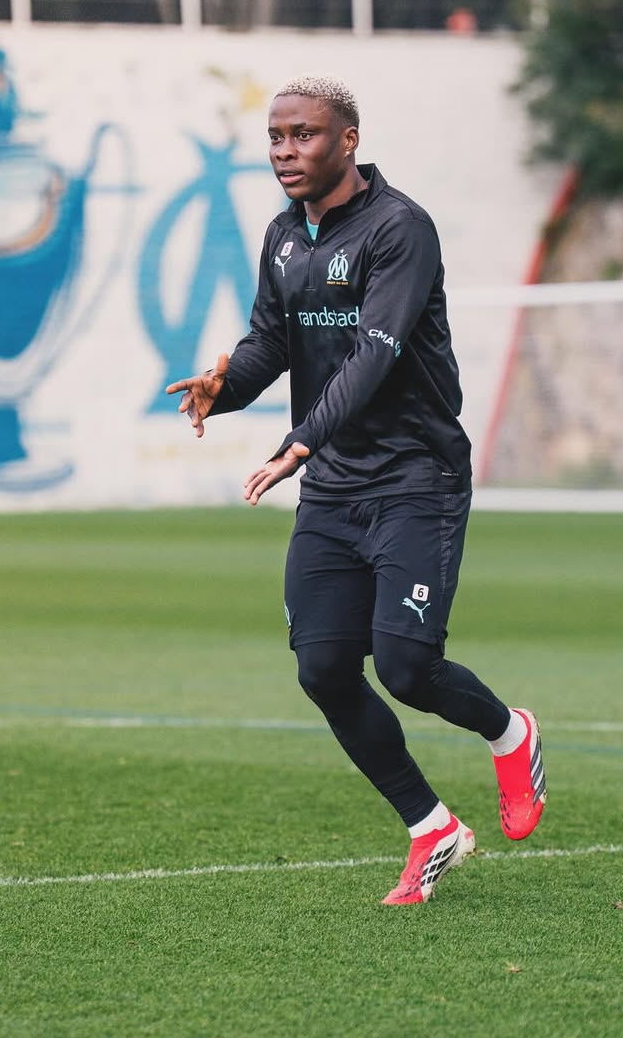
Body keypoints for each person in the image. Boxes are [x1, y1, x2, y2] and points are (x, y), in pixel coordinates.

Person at [166, 76, 546, 905]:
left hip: (416, 476)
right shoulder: (282, 235)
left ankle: (510, 732)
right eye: (275, 137)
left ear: (348, 140)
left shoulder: (401, 229)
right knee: (324, 666)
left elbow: (373, 355)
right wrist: (223, 389)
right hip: (336, 485)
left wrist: (298, 443)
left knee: (408, 668)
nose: (285, 152)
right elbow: (271, 341)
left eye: (304, 135)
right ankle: (431, 827)